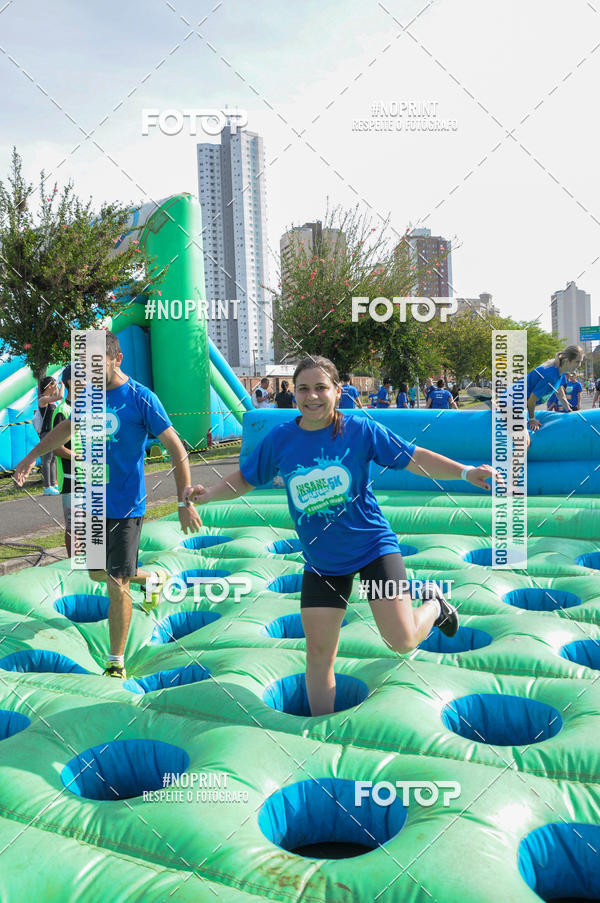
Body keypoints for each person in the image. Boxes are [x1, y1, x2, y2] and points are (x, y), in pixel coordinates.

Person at [185, 355, 497, 717]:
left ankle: (434, 605)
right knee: (318, 654)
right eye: (303, 388)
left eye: (321, 388)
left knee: (402, 640)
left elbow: (414, 458)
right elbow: (246, 478)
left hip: (372, 550)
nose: (312, 396)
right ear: (294, 393)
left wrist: (465, 472)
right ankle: (321, 731)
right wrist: (208, 494)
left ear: (337, 391)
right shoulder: (282, 438)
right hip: (322, 563)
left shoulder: (360, 431)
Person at [13, 330, 202, 679]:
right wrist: (30, 457)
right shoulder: (88, 397)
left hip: (127, 506)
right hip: (92, 502)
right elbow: (66, 428)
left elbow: (177, 448)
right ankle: (152, 578)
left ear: (117, 359)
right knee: (97, 572)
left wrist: (183, 501)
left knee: (116, 582)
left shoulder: (141, 398)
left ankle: (116, 661)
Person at [50, 366, 74, 554]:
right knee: (74, 527)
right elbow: (57, 449)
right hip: (71, 479)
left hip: (91, 477)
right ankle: (72, 566)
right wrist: (80, 457)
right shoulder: (62, 411)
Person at [35, 376, 61, 495]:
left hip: (53, 432)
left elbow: (57, 396)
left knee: (53, 459)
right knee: (47, 459)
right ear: (49, 386)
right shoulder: (42, 400)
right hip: (46, 433)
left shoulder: (51, 400)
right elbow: (60, 395)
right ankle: (47, 486)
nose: (56, 387)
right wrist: (62, 385)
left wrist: (56, 386)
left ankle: (54, 483)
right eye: (54, 385)